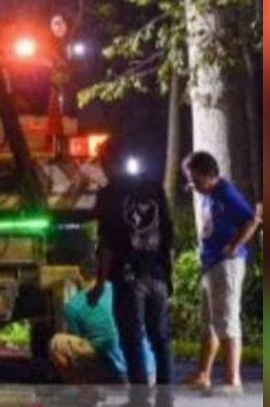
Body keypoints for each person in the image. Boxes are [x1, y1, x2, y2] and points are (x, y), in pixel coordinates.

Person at [90, 141, 174, 386]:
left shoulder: (108, 195)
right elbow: (168, 233)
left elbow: (107, 243)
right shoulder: (155, 189)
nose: (102, 168)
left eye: (103, 161)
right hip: (158, 272)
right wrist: (169, 274)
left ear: (110, 162)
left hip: (129, 278)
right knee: (160, 338)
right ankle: (165, 396)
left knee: (132, 337)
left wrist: (99, 284)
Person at [181, 150, 260, 390]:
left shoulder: (226, 192)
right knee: (210, 323)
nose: (193, 184)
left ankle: (232, 378)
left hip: (227, 265)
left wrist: (234, 246)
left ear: (208, 175)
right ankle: (203, 374)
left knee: (227, 320)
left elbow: (251, 219)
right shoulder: (210, 194)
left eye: (195, 179)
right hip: (211, 264)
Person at [50, 256, 154, 384]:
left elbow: (78, 348)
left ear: (80, 276)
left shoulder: (74, 305)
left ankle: (84, 393)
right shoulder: (124, 291)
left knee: (57, 343)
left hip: (116, 374)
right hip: (148, 371)